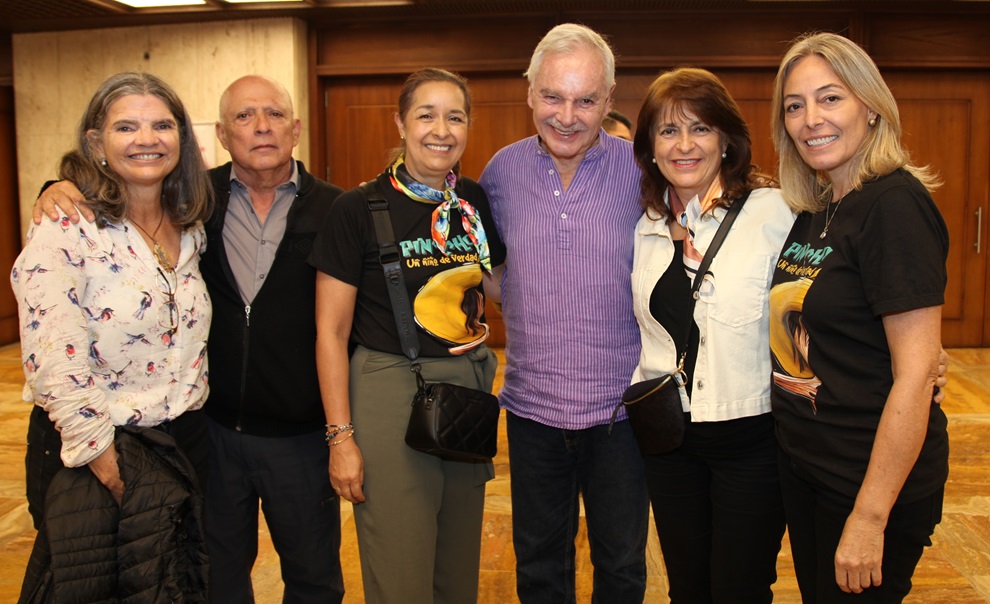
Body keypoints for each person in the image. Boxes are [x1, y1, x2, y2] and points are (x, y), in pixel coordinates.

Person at [35, 75, 346, 604]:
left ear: (296, 129)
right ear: (221, 135)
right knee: (206, 574)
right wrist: (54, 187)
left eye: (274, 114)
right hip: (195, 435)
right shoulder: (199, 203)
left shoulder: (333, 209)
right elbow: (53, 349)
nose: (262, 127)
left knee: (307, 575)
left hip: (281, 435)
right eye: (245, 117)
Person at [310, 67, 505, 604]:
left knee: (456, 572)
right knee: (401, 576)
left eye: (455, 116)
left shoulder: (472, 201)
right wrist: (340, 437)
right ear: (400, 123)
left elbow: (501, 287)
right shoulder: (357, 208)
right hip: (389, 389)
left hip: (465, 391)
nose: (441, 129)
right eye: (426, 114)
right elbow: (329, 333)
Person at [12, 71, 213, 590]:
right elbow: (53, 356)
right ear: (96, 143)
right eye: (127, 127)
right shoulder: (66, 225)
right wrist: (110, 467)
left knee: (177, 587)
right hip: (97, 450)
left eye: (162, 125)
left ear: (182, 139)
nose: (147, 139)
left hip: (182, 441)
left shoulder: (191, 224)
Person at [769, 32, 949, 602]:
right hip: (810, 466)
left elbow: (917, 374)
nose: (810, 119)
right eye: (794, 106)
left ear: (870, 107)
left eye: (830, 98)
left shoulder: (893, 205)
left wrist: (871, 517)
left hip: (867, 481)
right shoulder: (820, 208)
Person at [479, 24, 650, 603]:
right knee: (541, 568)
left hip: (620, 415)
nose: (568, 115)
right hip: (531, 414)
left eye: (586, 99)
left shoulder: (642, 169)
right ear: (529, 93)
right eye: (553, 96)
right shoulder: (500, 173)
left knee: (622, 567)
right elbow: (498, 276)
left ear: (609, 98)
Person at [629, 67, 796, 603]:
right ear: (650, 147)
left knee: (740, 590)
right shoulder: (647, 225)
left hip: (750, 438)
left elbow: (820, 303)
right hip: (668, 440)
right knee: (687, 588)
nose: (684, 145)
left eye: (699, 129)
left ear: (726, 140)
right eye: (668, 131)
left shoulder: (776, 212)